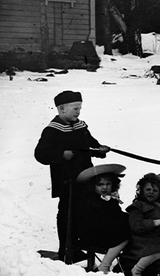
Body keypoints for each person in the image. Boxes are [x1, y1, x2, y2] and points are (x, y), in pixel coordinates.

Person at [33, 90, 110, 261]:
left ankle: (77, 247)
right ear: (62, 109)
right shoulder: (53, 130)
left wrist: (99, 149)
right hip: (66, 181)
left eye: (79, 108)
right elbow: (40, 154)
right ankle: (66, 250)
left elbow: (89, 144)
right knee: (67, 214)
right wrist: (61, 154)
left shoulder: (80, 126)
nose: (78, 112)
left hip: (86, 176)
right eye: (75, 108)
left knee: (84, 212)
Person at [74, 164, 131, 273]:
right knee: (126, 234)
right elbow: (98, 221)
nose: (104, 188)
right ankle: (104, 265)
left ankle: (124, 265)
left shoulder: (110, 198)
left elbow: (116, 214)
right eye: (100, 184)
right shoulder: (90, 201)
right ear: (93, 186)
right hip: (92, 234)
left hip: (105, 232)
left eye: (108, 184)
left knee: (132, 229)